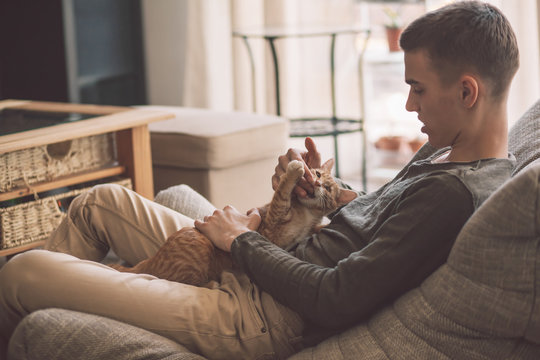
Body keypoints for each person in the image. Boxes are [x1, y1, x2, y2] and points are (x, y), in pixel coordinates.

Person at [0, 2, 519, 359]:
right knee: (99, 202)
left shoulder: (454, 195)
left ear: (468, 92)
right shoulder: (444, 153)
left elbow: (336, 296)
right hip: (261, 267)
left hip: (258, 315)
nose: (409, 105)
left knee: (22, 272)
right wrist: (326, 196)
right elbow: (387, 221)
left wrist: (241, 240)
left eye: (418, 89)